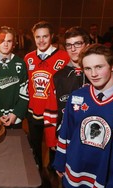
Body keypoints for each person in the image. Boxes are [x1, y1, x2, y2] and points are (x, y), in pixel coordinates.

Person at [53, 44, 113, 188]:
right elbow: (65, 133)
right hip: (73, 171)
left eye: (99, 67)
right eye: (88, 68)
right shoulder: (77, 96)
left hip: (105, 179)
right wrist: (60, 161)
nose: (94, 74)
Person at [43, 26, 90, 188]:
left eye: (77, 44)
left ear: (87, 45)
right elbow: (50, 110)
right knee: (68, 183)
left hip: (92, 141)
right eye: (69, 45)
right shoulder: (59, 76)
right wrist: (51, 140)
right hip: (67, 140)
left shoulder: (97, 74)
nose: (73, 49)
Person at [24, 20, 70, 169]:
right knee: (35, 143)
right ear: (34, 37)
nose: (41, 40)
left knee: (54, 144)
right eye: (38, 37)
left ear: (52, 37)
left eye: (45, 36)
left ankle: (53, 170)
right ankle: (37, 169)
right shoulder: (28, 58)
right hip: (34, 109)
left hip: (54, 112)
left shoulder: (64, 57)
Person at [0, 26, 28, 128]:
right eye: (2, 40)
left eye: (9, 41)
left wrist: (16, 113)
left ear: (14, 44)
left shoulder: (20, 63)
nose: (5, 44)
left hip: (14, 117)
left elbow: (25, 92)